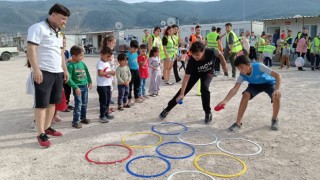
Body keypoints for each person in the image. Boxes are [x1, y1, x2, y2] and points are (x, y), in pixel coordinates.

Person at [27, 3, 70, 147]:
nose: (64, 22)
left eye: (66, 19)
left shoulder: (58, 32)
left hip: (57, 72)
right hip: (44, 72)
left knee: (53, 103)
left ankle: (47, 128)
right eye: (63, 18)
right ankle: (40, 134)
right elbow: (31, 49)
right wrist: (36, 70)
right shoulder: (38, 28)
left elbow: (60, 53)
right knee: (41, 104)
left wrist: (64, 70)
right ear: (53, 15)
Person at [159, 42, 228, 124]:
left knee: (204, 88)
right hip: (195, 73)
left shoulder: (212, 51)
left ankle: (208, 112)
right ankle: (167, 109)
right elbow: (186, 78)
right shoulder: (192, 60)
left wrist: (224, 67)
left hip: (208, 72)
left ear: (203, 51)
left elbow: (221, 56)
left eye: (197, 55)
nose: (195, 57)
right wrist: (182, 93)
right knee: (184, 90)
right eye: (193, 55)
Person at [216, 55, 281, 131]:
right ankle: (238, 123)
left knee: (276, 96)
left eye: (241, 67)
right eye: (238, 68)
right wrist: (225, 100)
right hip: (254, 85)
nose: (240, 70)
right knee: (245, 95)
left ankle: (274, 119)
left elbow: (278, 76)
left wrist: (277, 89)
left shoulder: (259, 66)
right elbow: (235, 89)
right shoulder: (242, 75)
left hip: (268, 83)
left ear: (248, 65)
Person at [67, 45, 92, 128]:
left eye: (83, 55)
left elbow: (87, 73)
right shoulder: (70, 66)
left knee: (84, 103)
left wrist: (90, 81)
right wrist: (75, 87)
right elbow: (68, 79)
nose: (82, 57)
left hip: (85, 86)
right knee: (78, 104)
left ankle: (83, 118)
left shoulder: (82, 64)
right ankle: (75, 121)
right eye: (81, 55)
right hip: (77, 88)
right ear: (74, 56)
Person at [96, 46, 115, 123]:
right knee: (103, 101)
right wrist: (109, 72)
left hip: (108, 84)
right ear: (102, 55)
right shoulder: (100, 63)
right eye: (107, 56)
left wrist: (112, 74)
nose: (108, 58)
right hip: (102, 85)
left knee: (107, 101)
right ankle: (102, 116)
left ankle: (106, 113)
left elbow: (108, 73)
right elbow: (100, 73)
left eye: (109, 57)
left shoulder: (107, 63)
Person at [100, 35, 117, 113]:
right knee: (108, 89)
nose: (114, 45)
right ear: (108, 42)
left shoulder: (111, 51)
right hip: (107, 73)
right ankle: (106, 108)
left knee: (111, 88)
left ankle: (108, 104)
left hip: (111, 73)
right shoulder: (105, 51)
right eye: (113, 43)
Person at [126, 40, 143, 104]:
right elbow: (126, 64)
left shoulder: (137, 53)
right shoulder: (127, 54)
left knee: (137, 84)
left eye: (137, 48)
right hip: (130, 71)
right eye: (134, 48)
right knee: (130, 85)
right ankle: (129, 98)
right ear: (130, 47)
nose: (136, 50)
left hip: (137, 70)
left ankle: (136, 97)